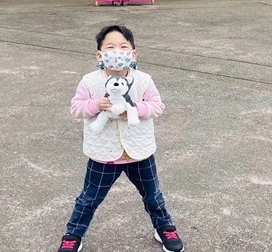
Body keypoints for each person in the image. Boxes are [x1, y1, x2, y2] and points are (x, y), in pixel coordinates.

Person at [58, 25, 184, 252]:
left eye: (123, 47)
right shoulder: (89, 81)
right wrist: (94, 105)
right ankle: (73, 233)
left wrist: (138, 110)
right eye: (110, 47)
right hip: (103, 154)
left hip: (139, 152)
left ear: (133, 53)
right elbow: (76, 108)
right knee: (89, 199)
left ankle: (164, 227)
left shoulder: (144, 80)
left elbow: (157, 106)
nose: (117, 52)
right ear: (99, 55)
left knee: (153, 196)